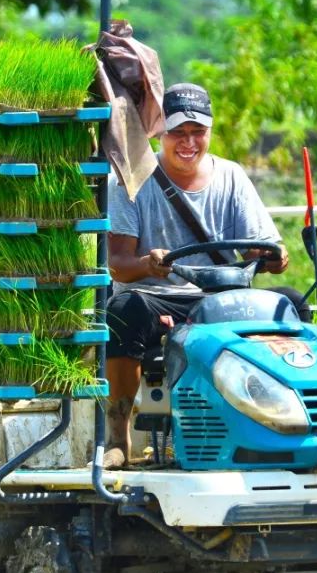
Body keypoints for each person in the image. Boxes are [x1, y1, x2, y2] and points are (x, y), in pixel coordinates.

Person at [105, 82, 290, 467]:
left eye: (198, 132)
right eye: (178, 133)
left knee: (290, 304)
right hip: (159, 297)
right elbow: (118, 263)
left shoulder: (232, 176)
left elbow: (260, 247)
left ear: (209, 131)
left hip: (222, 299)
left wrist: (272, 256)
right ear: (160, 133)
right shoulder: (131, 179)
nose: (188, 142)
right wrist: (147, 264)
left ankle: (286, 420)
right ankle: (118, 435)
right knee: (123, 311)